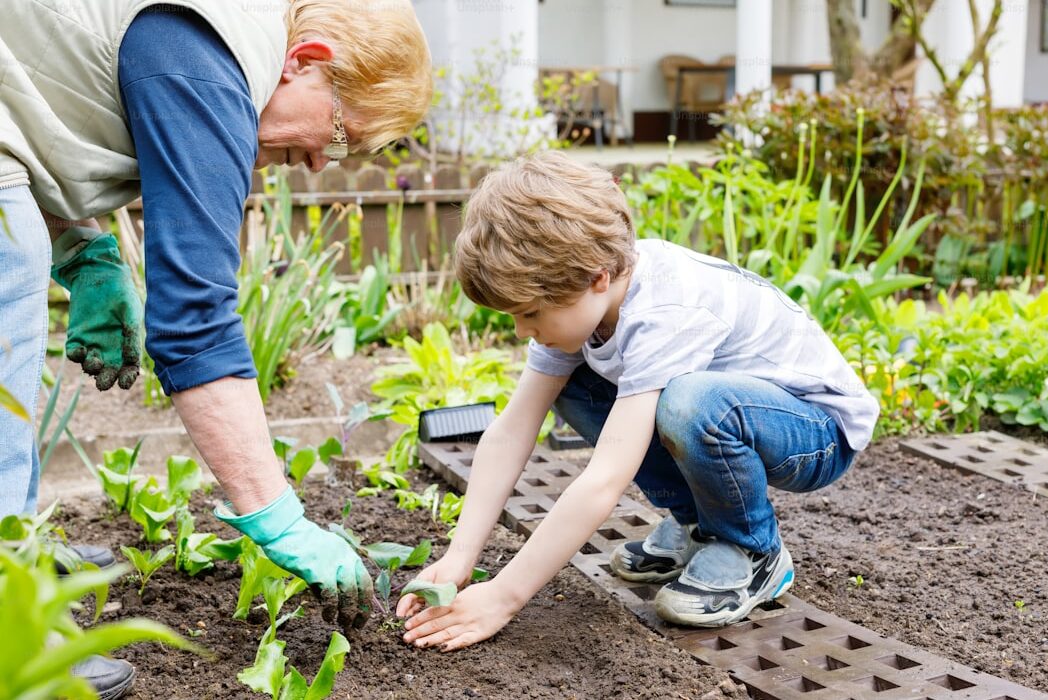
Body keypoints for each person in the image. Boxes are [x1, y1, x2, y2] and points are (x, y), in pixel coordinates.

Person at [0, 0, 431, 695]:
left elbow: (33, 95)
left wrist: (84, 247)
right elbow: (194, 322)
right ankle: (9, 629)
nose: (322, 163)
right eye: (344, 136)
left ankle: (10, 554)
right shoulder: (214, 59)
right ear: (307, 61)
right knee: (8, 256)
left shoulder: (213, 39)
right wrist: (279, 519)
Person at [396, 151, 879, 651]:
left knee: (690, 403)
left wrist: (504, 596)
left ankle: (751, 550)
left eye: (531, 312)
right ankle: (699, 525)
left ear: (598, 276)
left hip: (816, 431)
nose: (523, 331)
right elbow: (512, 429)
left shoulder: (665, 311)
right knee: (577, 386)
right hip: (737, 415)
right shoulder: (585, 298)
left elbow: (606, 477)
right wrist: (460, 555)